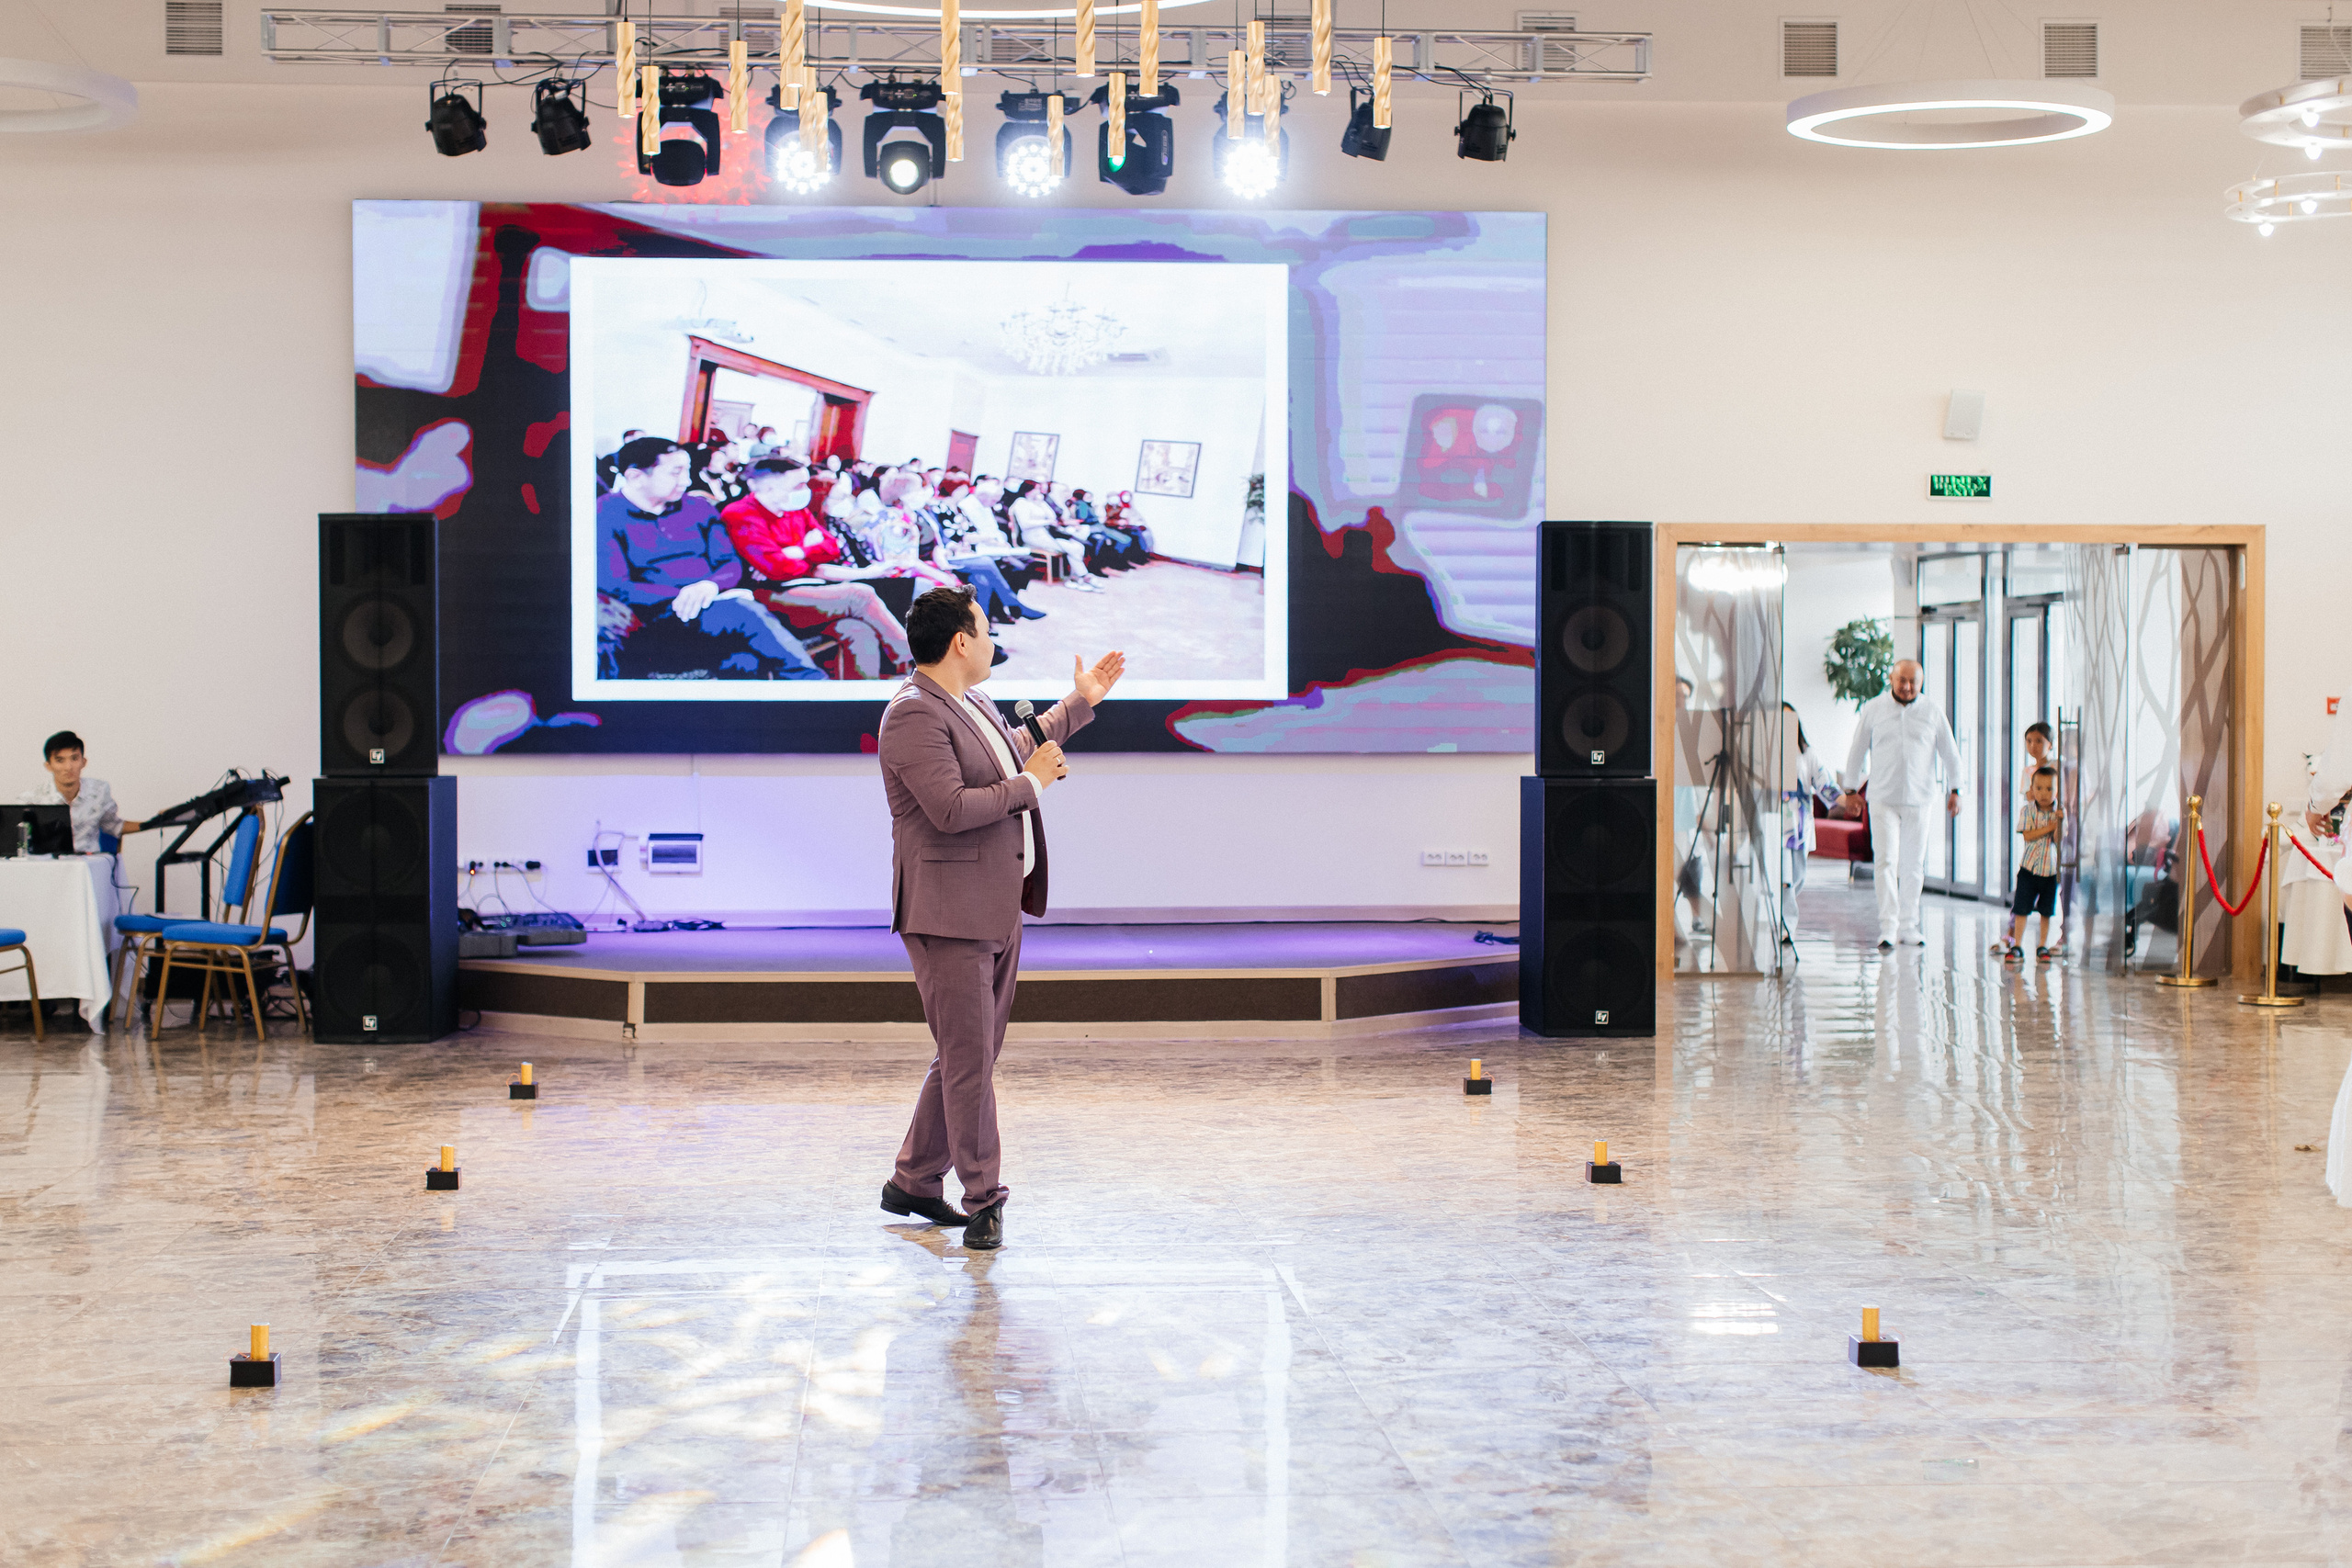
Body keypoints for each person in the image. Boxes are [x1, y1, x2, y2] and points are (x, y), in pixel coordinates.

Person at [876, 585, 1125, 1251]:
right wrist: (1034, 783)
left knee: (968, 1054)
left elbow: (1016, 745)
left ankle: (915, 1180)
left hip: (994, 903)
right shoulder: (910, 714)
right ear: (960, 641)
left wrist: (1078, 706)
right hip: (949, 913)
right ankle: (984, 1198)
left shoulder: (971, 700)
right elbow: (953, 808)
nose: (990, 639)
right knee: (967, 1060)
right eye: (985, 629)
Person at [596, 436, 827, 681]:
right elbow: (615, 585)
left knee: (743, 661)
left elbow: (729, 563)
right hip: (656, 618)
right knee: (743, 612)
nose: (686, 481)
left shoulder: (698, 507)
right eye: (676, 473)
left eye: (687, 471)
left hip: (711, 606)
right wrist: (683, 594)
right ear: (636, 477)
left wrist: (709, 586)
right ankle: (815, 685)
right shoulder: (606, 513)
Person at [718, 458, 914, 679]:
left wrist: (798, 552)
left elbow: (832, 548)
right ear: (769, 486)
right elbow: (776, 568)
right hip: (768, 596)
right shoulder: (741, 513)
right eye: (798, 485)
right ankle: (914, 665)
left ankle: (854, 704)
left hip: (808, 590)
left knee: (858, 631)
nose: (804, 491)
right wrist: (808, 552)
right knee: (860, 594)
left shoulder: (795, 510)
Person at [1839, 659, 1963, 950]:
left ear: (1921, 682)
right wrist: (1850, 790)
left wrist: (1956, 789)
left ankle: (1909, 926)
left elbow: (1950, 752)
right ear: (1891, 680)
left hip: (1920, 800)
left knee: (1913, 865)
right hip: (1882, 798)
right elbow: (1857, 750)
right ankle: (1888, 927)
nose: (1907, 687)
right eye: (1902, 681)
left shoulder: (1932, 711)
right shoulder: (1874, 709)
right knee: (1885, 862)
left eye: (1913, 682)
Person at [21, 731, 139, 854]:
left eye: (74, 758)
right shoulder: (32, 800)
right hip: (49, 866)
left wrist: (155, 822)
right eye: (60, 760)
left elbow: (114, 826)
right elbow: (20, 839)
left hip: (89, 864)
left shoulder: (99, 791)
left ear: (84, 762)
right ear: (48, 766)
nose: (68, 767)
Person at [1778, 702, 1838, 938]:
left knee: (1797, 877)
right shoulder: (1766, 752)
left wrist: (1846, 799)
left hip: (1799, 826)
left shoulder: (1807, 754)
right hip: (1777, 825)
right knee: (1785, 880)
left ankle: (1783, 920)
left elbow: (1825, 784)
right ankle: (1785, 928)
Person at [2002, 766, 2064, 961]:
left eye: (2049, 789)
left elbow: (2058, 839)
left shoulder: (2058, 814)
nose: (2043, 794)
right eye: (2039, 788)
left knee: (2046, 911)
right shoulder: (2027, 811)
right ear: (2032, 789)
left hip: (2050, 871)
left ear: (2056, 791)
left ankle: (2042, 945)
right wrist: (2050, 826)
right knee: (2021, 909)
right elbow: (2028, 835)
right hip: (2028, 869)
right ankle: (2017, 945)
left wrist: (2061, 824)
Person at [1010, 479, 1101, 592]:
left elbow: (1052, 517)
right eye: (1037, 489)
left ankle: (1077, 577)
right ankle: (1082, 576)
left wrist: (1042, 502)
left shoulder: (1037, 502)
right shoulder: (1021, 503)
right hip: (1033, 537)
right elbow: (1025, 525)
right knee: (1073, 548)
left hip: (1046, 535)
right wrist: (1046, 522)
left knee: (1079, 547)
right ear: (1028, 490)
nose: (1040, 491)